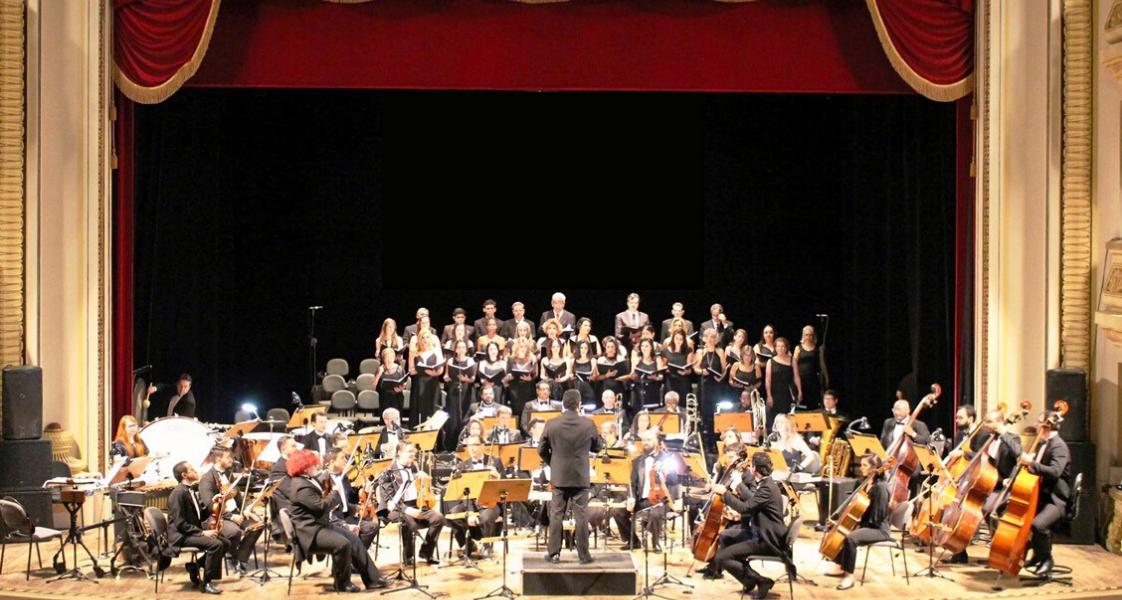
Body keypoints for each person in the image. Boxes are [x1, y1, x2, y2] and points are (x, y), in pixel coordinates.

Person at [709, 452, 789, 599]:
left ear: (754, 469)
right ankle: (748, 579)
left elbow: (746, 508)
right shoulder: (767, 484)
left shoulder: (767, 488)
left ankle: (761, 580)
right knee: (726, 537)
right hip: (761, 532)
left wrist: (725, 493)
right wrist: (738, 485)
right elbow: (752, 501)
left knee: (722, 557)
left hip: (767, 539)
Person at [285, 449, 363, 593]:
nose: (316, 467)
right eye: (313, 465)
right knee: (343, 544)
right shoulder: (301, 486)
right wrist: (335, 492)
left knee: (349, 538)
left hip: (315, 525)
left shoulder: (305, 480)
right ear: (305, 467)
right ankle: (342, 584)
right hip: (309, 533)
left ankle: (351, 577)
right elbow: (321, 508)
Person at [538, 390, 602, 564]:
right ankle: (584, 555)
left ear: (563, 404)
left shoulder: (552, 424)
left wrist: (554, 463)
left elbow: (541, 450)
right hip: (580, 476)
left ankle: (554, 554)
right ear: (579, 404)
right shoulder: (588, 424)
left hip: (559, 477)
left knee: (556, 514)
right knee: (581, 515)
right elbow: (597, 448)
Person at [826, 453, 892, 591]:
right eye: (861, 464)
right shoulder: (864, 483)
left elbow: (877, 518)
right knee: (840, 530)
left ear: (875, 468)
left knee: (851, 538)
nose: (861, 468)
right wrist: (842, 520)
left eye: (865, 465)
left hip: (878, 529)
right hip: (867, 524)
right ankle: (840, 566)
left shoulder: (880, 488)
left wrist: (855, 523)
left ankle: (849, 576)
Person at [1020, 410, 1072, 577]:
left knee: (1038, 524)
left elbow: (1055, 472)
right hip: (1043, 496)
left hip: (1056, 500)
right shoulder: (1044, 444)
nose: (1036, 425)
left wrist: (1033, 463)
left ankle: (1047, 559)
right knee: (1025, 520)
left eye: (1039, 422)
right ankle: (1037, 556)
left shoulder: (1058, 446)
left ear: (1047, 426)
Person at [197, 448, 264, 576]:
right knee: (234, 532)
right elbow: (211, 505)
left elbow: (237, 495)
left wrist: (246, 509)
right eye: (228, 458)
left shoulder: (228, 474)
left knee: (258, 525)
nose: (232, 461)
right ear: (218, 459)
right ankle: (233, 558)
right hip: (216, 518)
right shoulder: (207, 479)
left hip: (234, 513)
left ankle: (240, 559)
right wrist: (231, 516)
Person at [377, 442, 445, 566]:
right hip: (394, 508)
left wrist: (422, 481)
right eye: (409, 451)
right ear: (399, 453)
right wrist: (407, 510)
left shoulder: (414, 467)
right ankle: (408, 556)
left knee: (438, 518)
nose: (412, 454)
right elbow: (388, 499)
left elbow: (419, 489)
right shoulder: (388, 472)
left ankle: (426, 552)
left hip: (416, 504)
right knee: (408, 520)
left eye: (413, 452)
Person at [323, 450, 385, 584]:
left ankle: (352, 561)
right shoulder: (324, 480)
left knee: (371, 526)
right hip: (332, 521)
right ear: (332, 462)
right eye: (342, 458)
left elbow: (345, 502)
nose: (346, 461)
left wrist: (357, 508)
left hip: (345, 516)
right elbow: (325, 511)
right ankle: (351, 563)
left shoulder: (343, 477)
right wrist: (345, 526)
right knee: (351, 532)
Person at [167, 461, 227, 594]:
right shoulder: (178, 494)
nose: (195, 471)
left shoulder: (189, 490)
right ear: (184, 475)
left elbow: (200, 515)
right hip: (180, 536)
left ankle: (195, 567)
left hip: (189, 532)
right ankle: (206, 583)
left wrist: (215, 502)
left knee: (225, 543)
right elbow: (180, 524)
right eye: (192, 469)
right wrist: (202, 533)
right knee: (216, 545)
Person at [446, 435, 504, 559]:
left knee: (486, 516)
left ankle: (487, 546)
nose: (472, 448)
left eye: (475, 445)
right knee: (452, 515)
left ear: (483, 446)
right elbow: (463, 493)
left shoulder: (495, 461)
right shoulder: (463, 466)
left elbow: (504, 488)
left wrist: (498, 477)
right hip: (470, 503)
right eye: (470, 445)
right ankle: (468, 543)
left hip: (491, 503)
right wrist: (471, 512)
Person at [624, 429, 677, 553]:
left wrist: (663, 472)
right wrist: (630, 497)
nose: (645, 442)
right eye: (643, 440)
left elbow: (674, 480)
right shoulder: (637, 461)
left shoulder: (666, 458)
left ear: (656, 441)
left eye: (648, 440)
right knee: (617, 512)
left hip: (660, 500)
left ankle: (655, 542)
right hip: (642, 499)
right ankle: (634, 540)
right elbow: (632, 483)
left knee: (655, 514)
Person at [443, 339, 477, 451]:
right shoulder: (450, 361)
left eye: (463, 347)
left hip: (466, 390)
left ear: (466, 349)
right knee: (453, 417)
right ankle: (451, 445)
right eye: (459, 347)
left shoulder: (471, 361)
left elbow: (473, 378)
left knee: (464, 415)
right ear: (455, 349)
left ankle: (464, 444)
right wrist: (446, 377)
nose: (461, 349)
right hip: (453, 390)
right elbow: (446, 376)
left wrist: (466, 379)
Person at [408, 326, 444, 428]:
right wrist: (417, 370)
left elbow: (440, 370)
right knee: (420, 409)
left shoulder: (436, 351)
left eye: (427, 337)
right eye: (422, 338)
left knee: (432, 408)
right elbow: (411, 370)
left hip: (433, 384)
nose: (425, 340)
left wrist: (430, 372)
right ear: (419, 339)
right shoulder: (415, 353)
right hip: (420, 383)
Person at [694, 329, 728, 437]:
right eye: (707, 336)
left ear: (716, 339)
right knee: (704, 412)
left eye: (713, 336)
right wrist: (701, 371)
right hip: (704, 385)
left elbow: (724, 369)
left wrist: (720, 378)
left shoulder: (720, 351)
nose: (710, 339)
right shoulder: (701, 352)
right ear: (703, 338)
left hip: (716, 385)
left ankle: (715, 439)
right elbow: (696, 368)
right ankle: (704, 437)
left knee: (715, 412)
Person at [765, 337, 800, 430]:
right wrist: (769, 395)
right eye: (778, 346)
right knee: (773, 420)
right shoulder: (770, 361)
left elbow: (796, 377)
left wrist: (800, 391)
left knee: (787, 420)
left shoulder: (792, 360)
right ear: (775, 348)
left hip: (787, 394)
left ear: (786, 347)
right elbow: (768, 380)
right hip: (774, 394)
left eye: (783, 346)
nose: (780, 348)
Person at [268, 435, 297, 543]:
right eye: (293, 446)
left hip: (295, 502)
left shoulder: (292, 463)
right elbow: (290, 491)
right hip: (288, 508)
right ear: (283, 449)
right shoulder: (279, 468)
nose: (296, 448)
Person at [793, 325, 829, 409]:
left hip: (813, 379)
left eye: (810, 335)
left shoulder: (818, 349)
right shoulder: (798, 348)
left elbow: (822, 364)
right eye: (806, 335)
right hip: (801, 379)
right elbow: (794, 364)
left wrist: (826, 377)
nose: (808, 337)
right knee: (800, 403)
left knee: (812, 403)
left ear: (813, 336)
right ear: (803, 335)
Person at [630, 338, 665, 415]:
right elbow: (632, 374)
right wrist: (633, 376)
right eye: (642, 346)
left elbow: (661, 376)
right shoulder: (637, 359)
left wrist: (655, 377)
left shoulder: (657, 359)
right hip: (640, 389)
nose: (644, 348)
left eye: (646, 346)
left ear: (651, 348)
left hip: (653, 388)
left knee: (653, 413)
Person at [504, 339, 537, 419]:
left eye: (525, 347)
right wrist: (508, 377)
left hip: (528, 389)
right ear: (516, 348)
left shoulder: (532, 359)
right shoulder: (511, 359)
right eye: (521, 347)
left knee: (528, 412)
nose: (522, 348)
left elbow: (535, 374)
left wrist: (530, 378)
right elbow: (507, 374)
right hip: (515, 390)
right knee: (516, 412)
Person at [591, 336, 629, 406]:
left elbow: (628, 375)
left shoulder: (621, 359)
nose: (610, 349)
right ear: (605, 348)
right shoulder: (601, 360)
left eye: (612, 347)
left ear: (615, 349)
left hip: (619, 386)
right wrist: (606, 375)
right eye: (608, 347)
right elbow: (596, 377)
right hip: (605, 388)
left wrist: (619, 378)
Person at [663, 330, 695, 403]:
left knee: (683, 402)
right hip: (670, 380)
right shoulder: (666, 350)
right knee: (670, 402)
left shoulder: (688, 350)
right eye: (676, 338)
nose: (678, 341)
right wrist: (667, 369)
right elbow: (663, 366)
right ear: (673, 339)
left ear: (684, 340)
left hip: (683, 380)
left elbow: (689, 368)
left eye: (681, 339)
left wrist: (686, 372)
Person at [373, 347, 408, 413]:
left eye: (391, 357)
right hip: (384, 398)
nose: (389, 360)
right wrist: (379, 374)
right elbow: (373, 385)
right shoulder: (380, 369)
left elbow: (404, 384)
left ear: (394, 358)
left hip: (397, 397)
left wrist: (401, 388)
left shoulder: (400, 369)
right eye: (387, 358)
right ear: (383, 359)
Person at [477, 341, 508, 407]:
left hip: (498, 387)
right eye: (491, 349)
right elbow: (481, 378)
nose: (493, 351)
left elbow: (505, 378)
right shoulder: (482, 363)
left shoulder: (503, 363)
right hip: (486, 387)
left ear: (497, 351)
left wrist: (503, 380)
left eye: (495, 349)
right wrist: (487, 383)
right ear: (487, 351)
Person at [571, 339, 597, 405]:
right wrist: (571, 377)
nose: (583, 350)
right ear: (578, 349)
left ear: (588, 349)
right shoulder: (572, 360)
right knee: (579, 383)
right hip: (575, 385)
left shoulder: (593, 360)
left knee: (583, 384)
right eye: (581, 348)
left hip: (588, 385)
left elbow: (595, 375)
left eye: (585, 348)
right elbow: (570, 374)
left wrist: (593, 377)